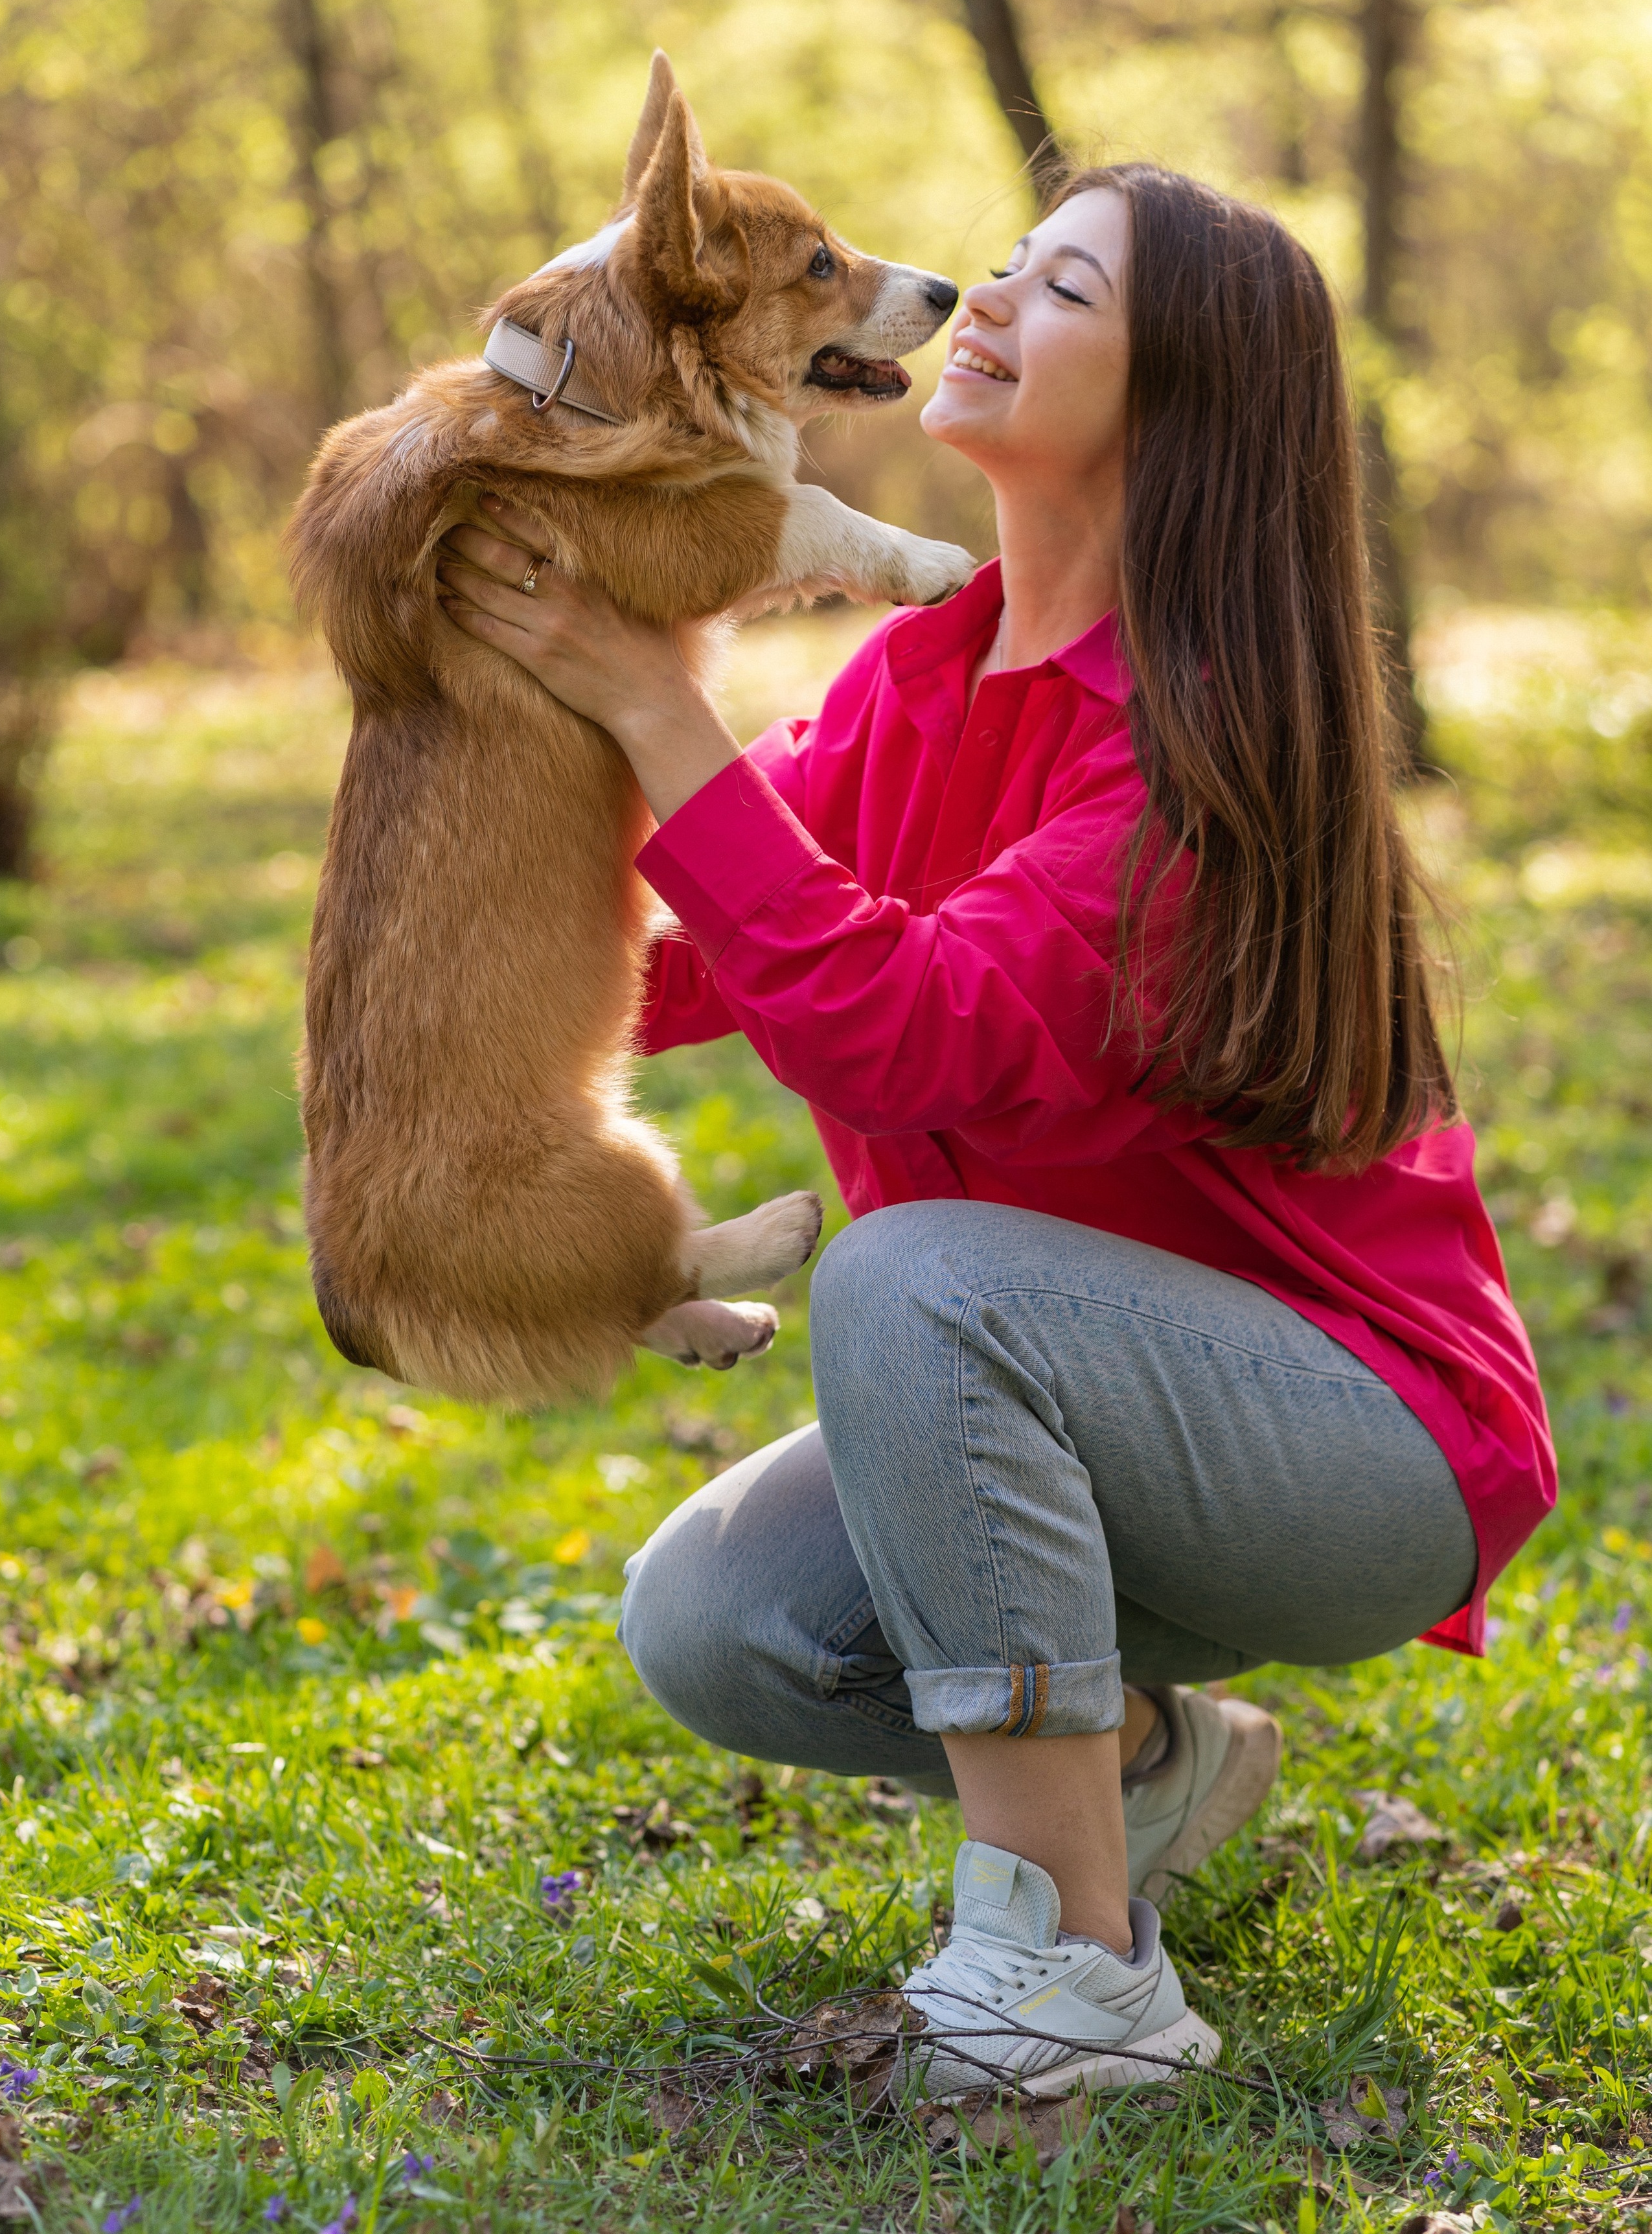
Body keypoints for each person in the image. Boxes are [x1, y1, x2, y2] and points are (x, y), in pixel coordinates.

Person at [435, 163, 1555, 2099]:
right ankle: (1150, 1763)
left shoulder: (1190, 745)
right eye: (1010, 270)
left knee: (917, 1279)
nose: (990, 306)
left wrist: (653, 704)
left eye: (1066, 293)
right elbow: (691, 958)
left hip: (1363, 1448)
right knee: (722, 1620)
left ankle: (1080, 1977)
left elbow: (910, 1033)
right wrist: (472, 790)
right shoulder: (916, 684)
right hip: (1083, 1413)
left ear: (1183, 398)